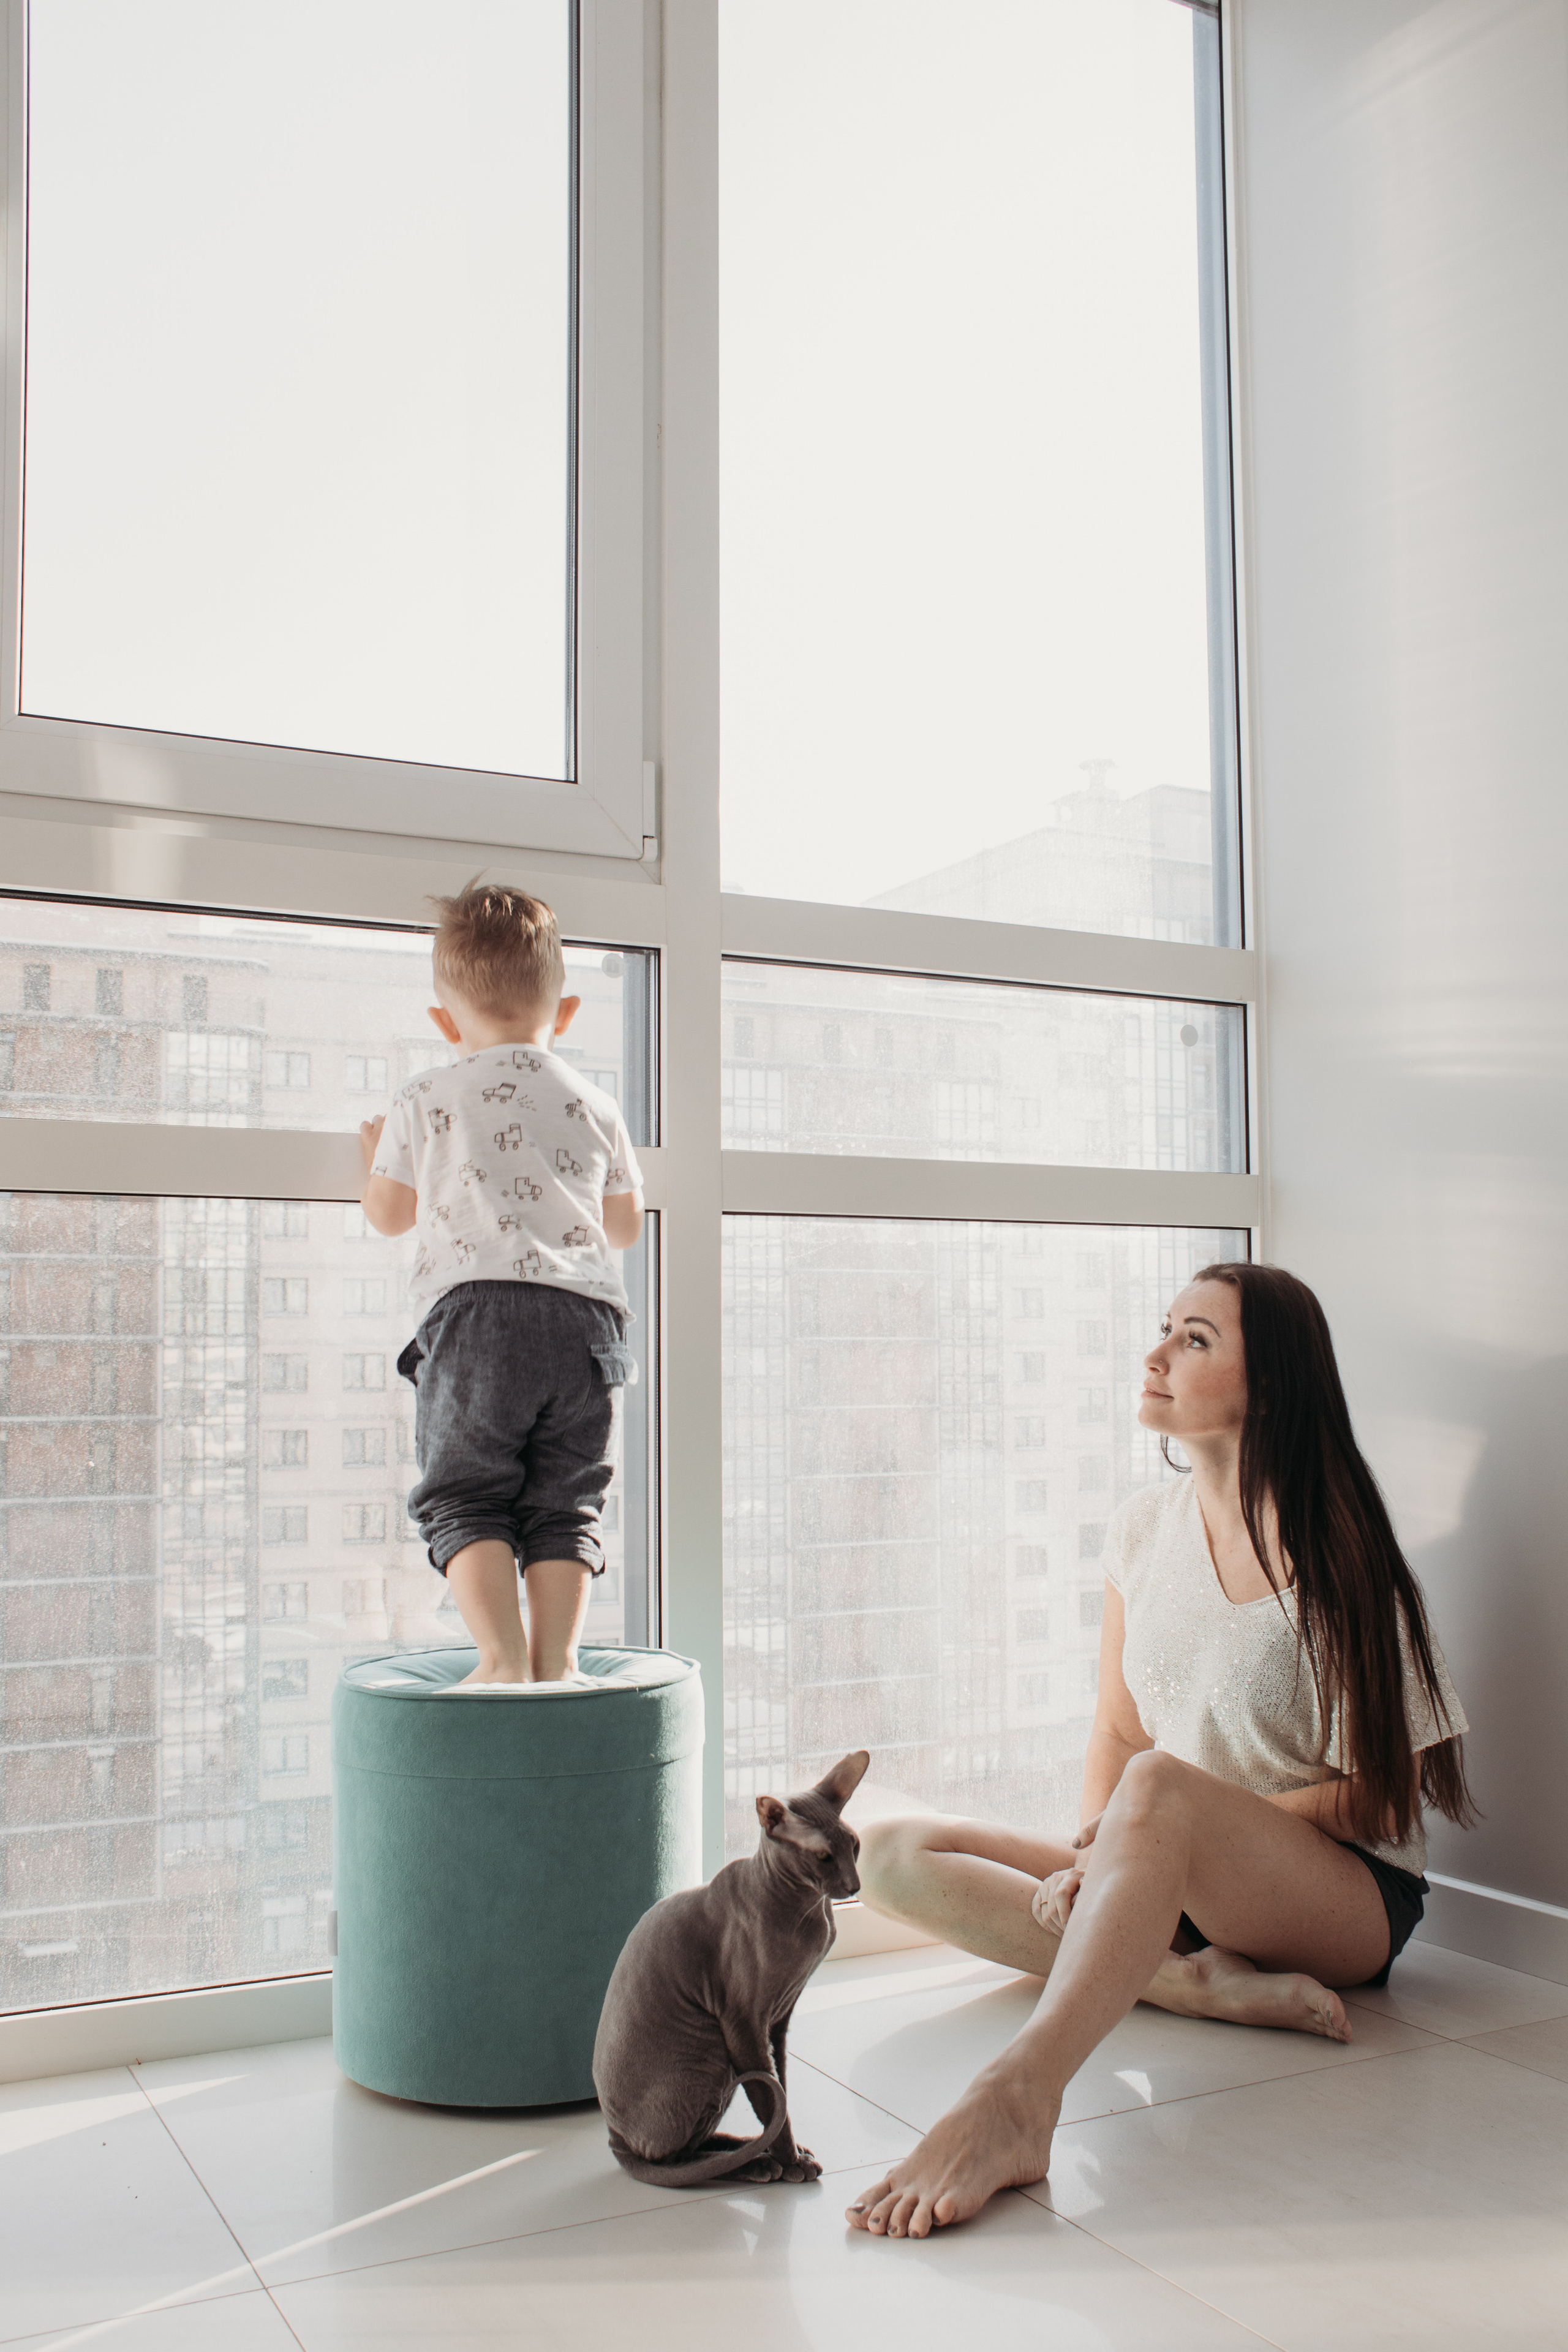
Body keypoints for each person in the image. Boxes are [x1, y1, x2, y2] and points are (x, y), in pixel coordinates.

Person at [846, 1261, 1472, 2241]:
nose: (1156, 1356)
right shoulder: (1144, 1527)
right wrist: (1108, 1860)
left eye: (1194, 1340)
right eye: (1165, 1329)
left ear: (1271, 1384)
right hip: (1167, 1866)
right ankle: (1187, 1981)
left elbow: (1383, 1801)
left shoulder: (1342, 1555)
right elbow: (1120, 1729)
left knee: (1158, 1793)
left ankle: (1020, 2095)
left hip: (1344, 1897)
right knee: (884, 1855)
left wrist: (1148, 1841)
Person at [358, 882, 644, 1688]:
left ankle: (500, 1658)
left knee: (467, 1492)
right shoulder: (595, 1103)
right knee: (565, 1500)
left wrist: (376, 1155)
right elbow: (623, 1227)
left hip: (480, 1317)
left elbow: (389, 1215)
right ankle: (559, 1662)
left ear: (445, 1025)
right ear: (569, 1010)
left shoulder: (425, 1096)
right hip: (589, 1324)